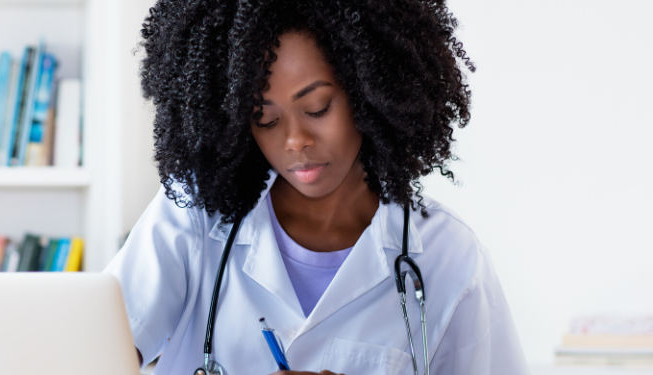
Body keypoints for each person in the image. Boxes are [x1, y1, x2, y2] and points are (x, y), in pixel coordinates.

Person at [104, 1, 529, 374]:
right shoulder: (195, 212)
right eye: (265, 119)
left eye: (317, 108)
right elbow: (86, 355)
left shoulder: (448, 256)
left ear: (371, 90)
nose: (295, 142)